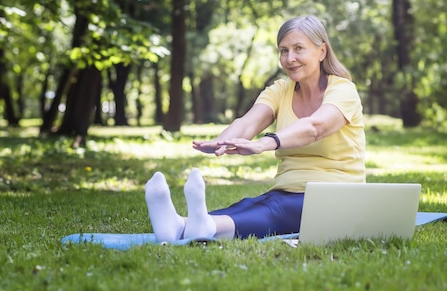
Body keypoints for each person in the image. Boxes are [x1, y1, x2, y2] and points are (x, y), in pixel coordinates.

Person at [144, 15, 366, 242]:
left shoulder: (343, 90)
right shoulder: (280, 90)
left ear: (321, 52)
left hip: (337, 197)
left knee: (275, 211)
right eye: (283, 50)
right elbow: (248, 122)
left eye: (299, 48)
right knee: (251, 205)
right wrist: (222, 141)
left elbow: (314, 127)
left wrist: (263, 143)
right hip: (286, 193)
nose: (290, 58)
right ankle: (181, 225)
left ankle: (202, 226)